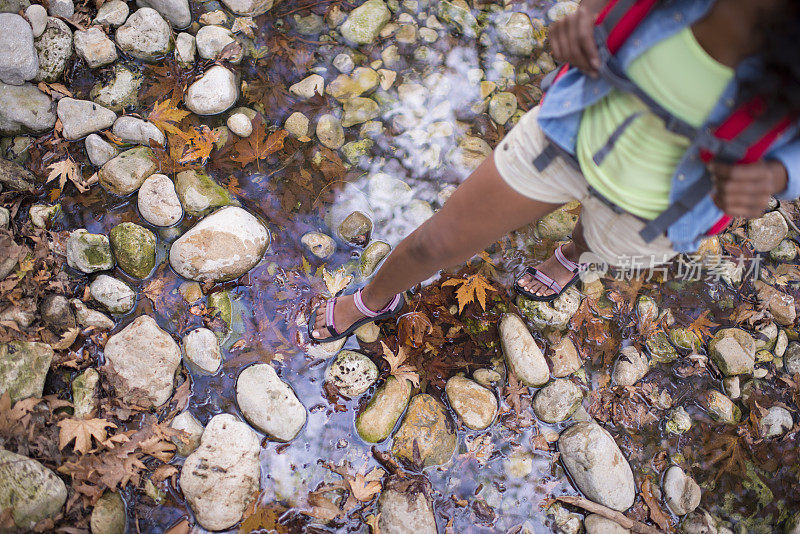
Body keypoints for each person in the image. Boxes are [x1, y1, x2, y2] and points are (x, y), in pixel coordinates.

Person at [309, 0, 800, 342]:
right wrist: (586, 16)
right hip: (568, 131)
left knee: (592, 244)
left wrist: (778, 176)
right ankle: (374, 299)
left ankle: (569, 254)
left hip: (668, 207)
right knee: (432, 244)